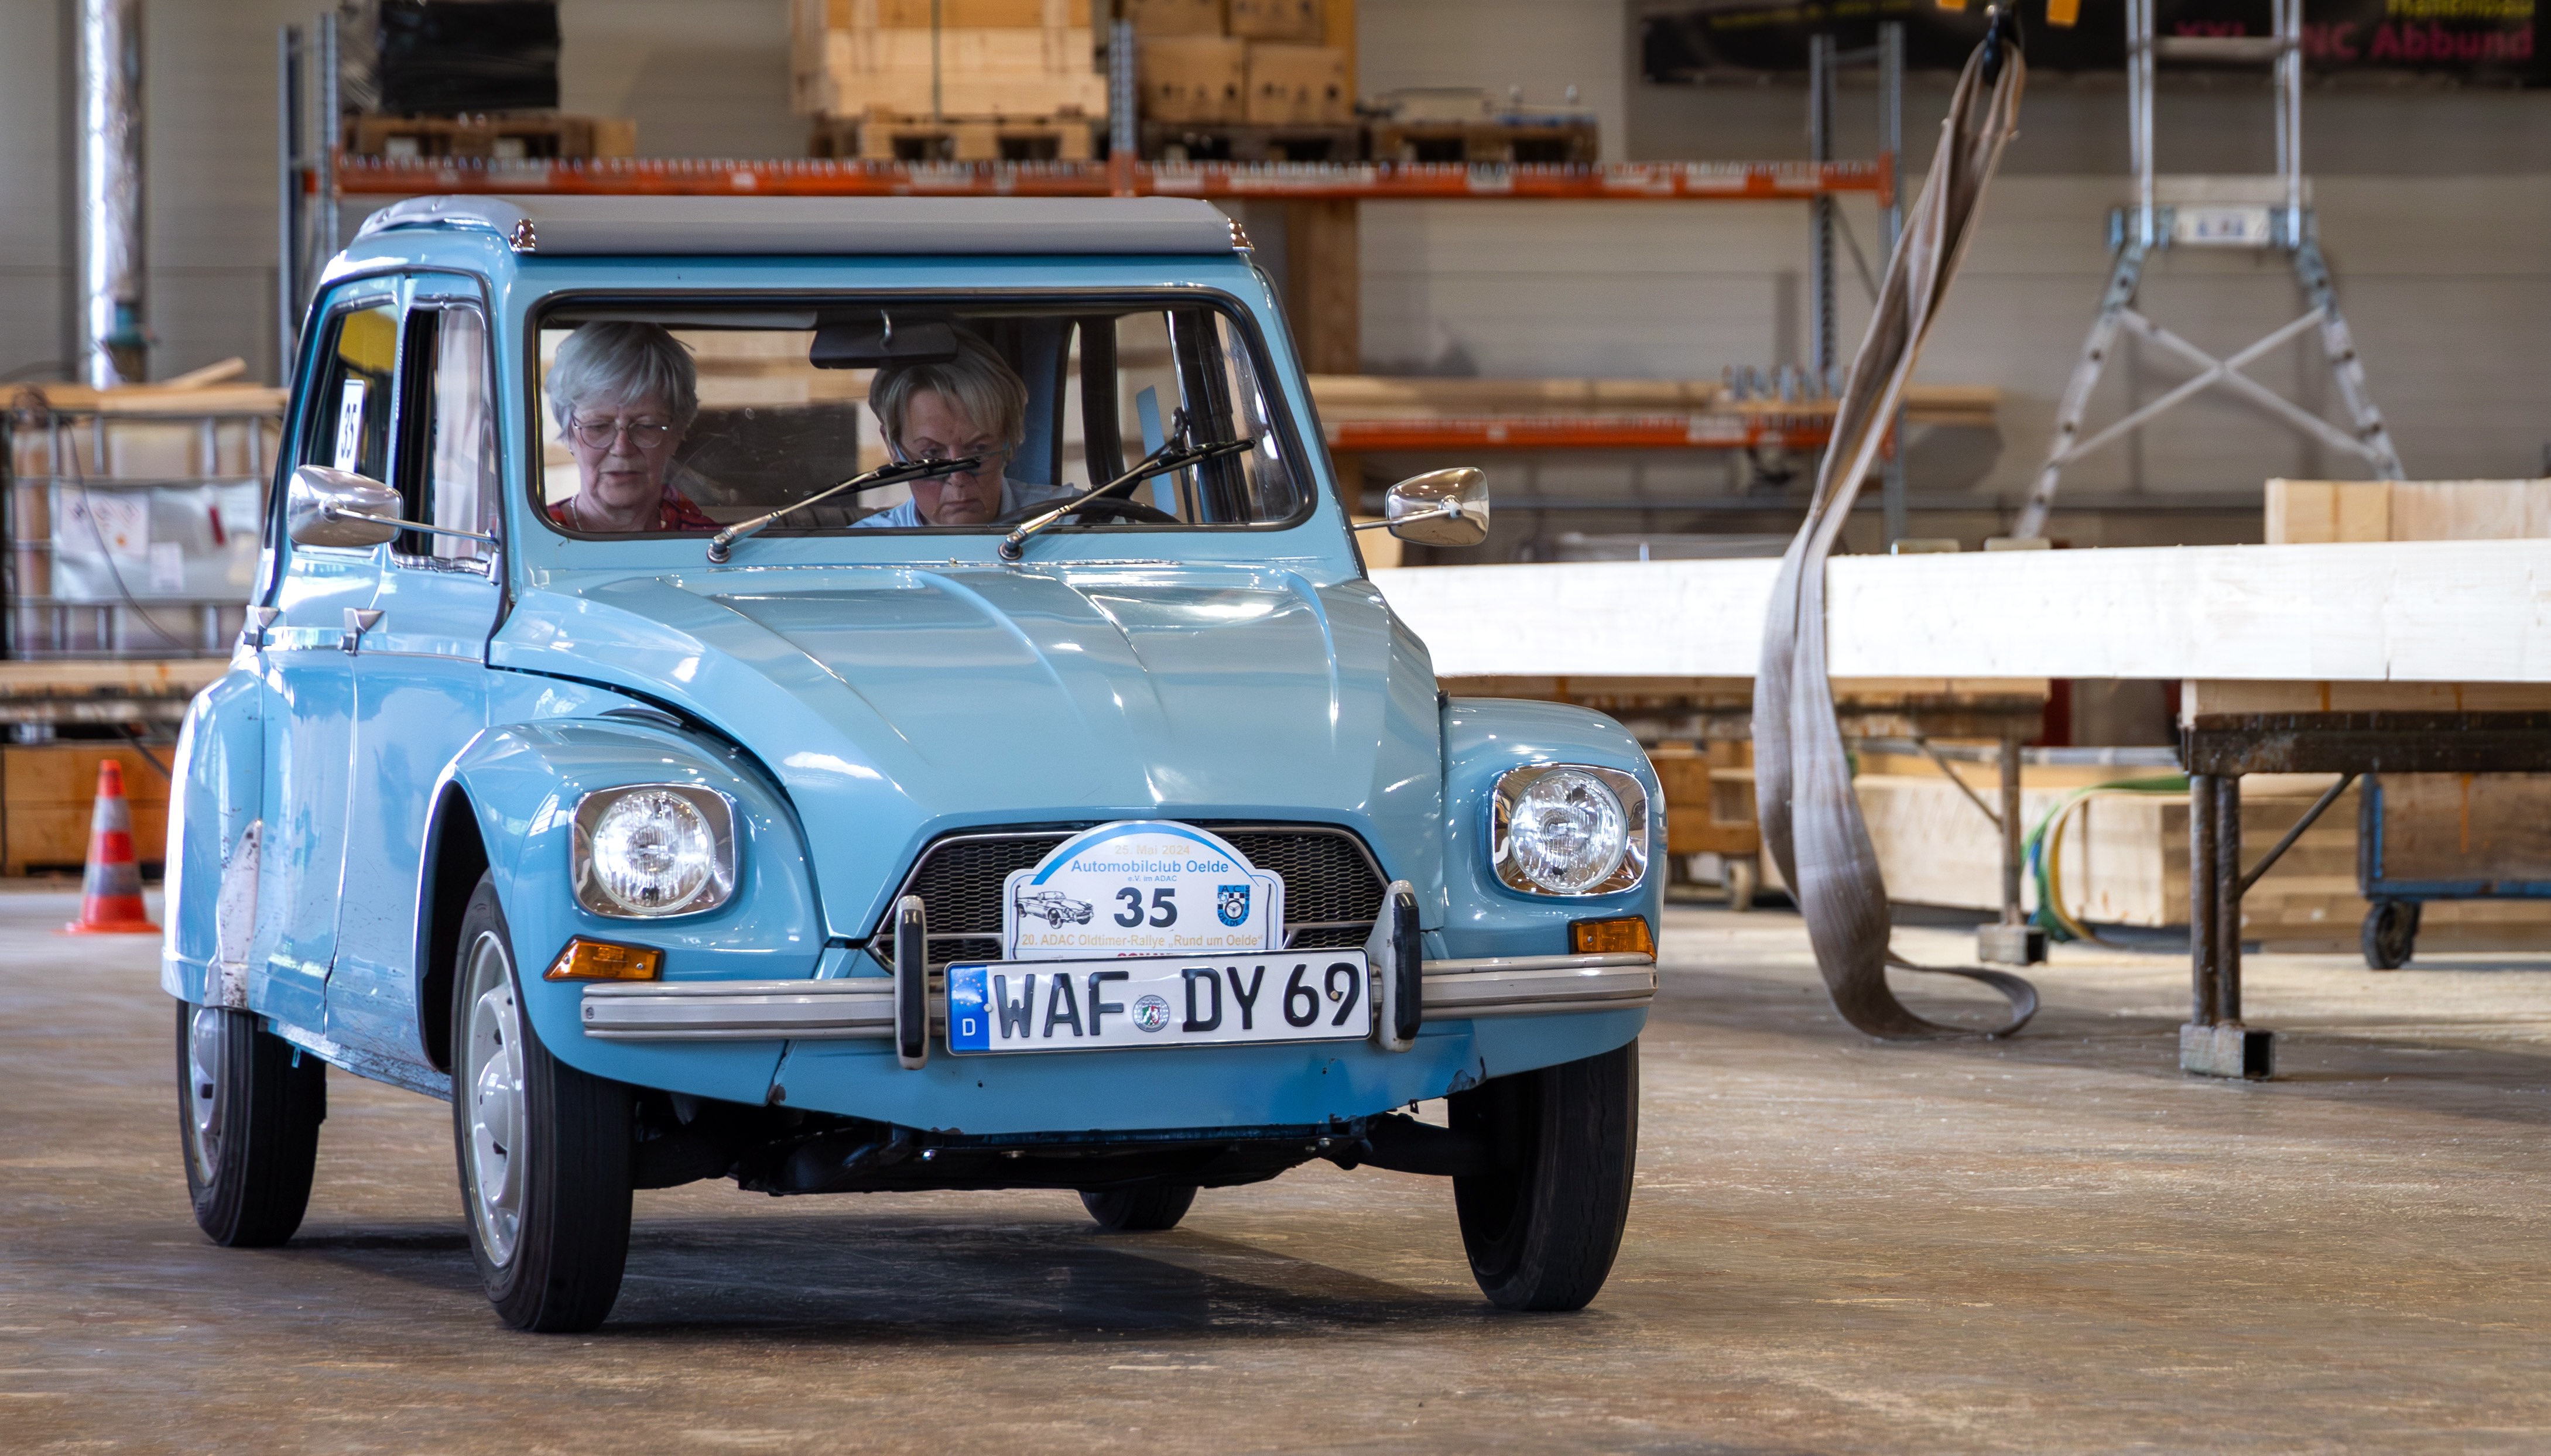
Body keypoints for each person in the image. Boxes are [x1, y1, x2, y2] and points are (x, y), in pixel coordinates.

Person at [854, 333, 1072, 529]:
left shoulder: (1072, 522)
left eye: (979, 450)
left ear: (1007, 438)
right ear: (893, 447)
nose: (958, 478)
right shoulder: (860, 550)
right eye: (932, 455)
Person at [543, 321, 718, 533]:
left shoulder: (709, 542)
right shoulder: (529, 541)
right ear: (569, 434)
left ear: (676, 434)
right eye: (598, 426)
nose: (622, 448)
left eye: (646, 426)